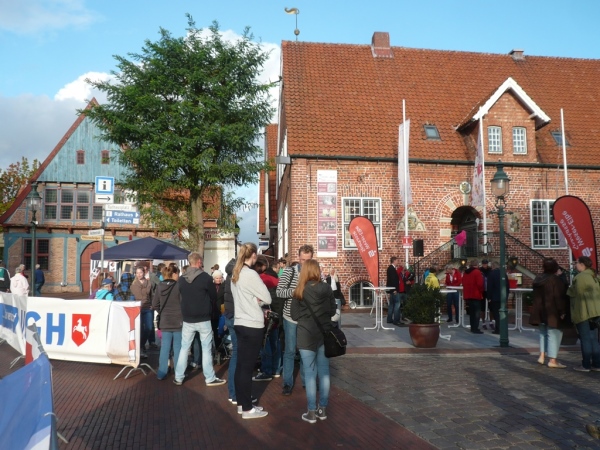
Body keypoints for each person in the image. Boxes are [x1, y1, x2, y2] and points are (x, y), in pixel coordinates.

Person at [291, 259, 338, 424]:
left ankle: (311, 412)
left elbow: (294, 315)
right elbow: (333, 310)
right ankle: (322, 409)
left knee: (310, 374)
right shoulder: (326, 288)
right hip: (324, 334)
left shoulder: (299, 289)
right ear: (317, 271)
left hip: (305, 335)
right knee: (324, 372)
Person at [231, 243, 271, 419]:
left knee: (241, 366)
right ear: (253, 255)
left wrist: (254, 299)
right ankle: (247, 409)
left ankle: (242, 404)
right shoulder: (251, 274)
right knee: (247, 368)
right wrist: (258, 301)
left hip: (239, 321)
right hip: (252, 324)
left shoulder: (236, 273)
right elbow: (268, 298)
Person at [174, 252, 225, 386]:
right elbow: (214, 296)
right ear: (199, 262)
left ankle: (178, 377)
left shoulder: (182, 279)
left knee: (184, 348)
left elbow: (179, 296)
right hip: (203, 318)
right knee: (206, 348)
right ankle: (209, 378)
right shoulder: (206, 278)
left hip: (187, 318)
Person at [277, 245, 314, 396]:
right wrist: (296, 291)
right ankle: (287, 383)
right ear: (298, 258)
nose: (305, 263)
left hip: (307, 318)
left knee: (306, 351)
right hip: (290, 317)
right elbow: (279, 292)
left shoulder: (314, 272)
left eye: (308, 260)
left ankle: (307, 382)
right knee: (290, 351)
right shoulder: (289, 271)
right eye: (303, 259)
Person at [529, 258, 568, 368]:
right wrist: (562, 311)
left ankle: (542, 355)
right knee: (554, 334)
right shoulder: (555, 280)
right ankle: (552, 360)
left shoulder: (538, 278)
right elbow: (559, 297)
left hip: (539, 311)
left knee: (543, 333)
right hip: (552, 311)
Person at [567, 256, 600, 372]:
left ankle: (586, 365)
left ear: (582, 264)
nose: (575, 265)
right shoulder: (594, 276)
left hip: (584, 311)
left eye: (577, 263)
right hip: (595, 312)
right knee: (593, 339)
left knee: (585, 339)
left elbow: (577, 294)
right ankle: (597, 364)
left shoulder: (580, 277)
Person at [253, 255, 280, 382]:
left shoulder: (261, 279)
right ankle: (276, 369)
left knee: (265, 343)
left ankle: (266, 370)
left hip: (266, 314)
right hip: (277, 313)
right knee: (275, 342)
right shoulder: (275, 277)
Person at [152, 263, 182, 380]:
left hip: (165, 320)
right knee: (178, 347)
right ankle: (178, 372)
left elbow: (155, 304)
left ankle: (162, 372)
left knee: (165, 347)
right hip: (178, 320)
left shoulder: (160, 286)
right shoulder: (178, 286)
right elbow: (183, 302)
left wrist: (162, 311)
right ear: (174, 274)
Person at [222, 258, 239, 404]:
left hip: (229, 315)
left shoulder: (228, 276)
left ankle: (232, 392)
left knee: (236, 355)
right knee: (239, 356)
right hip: (237, 317)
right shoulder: (237, 277)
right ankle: (236, 394)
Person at [131, 266, 153, 358]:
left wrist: (152, 304)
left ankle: (142, 344)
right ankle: (140, 348)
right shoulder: (133, 284)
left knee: (149, 328)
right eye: (137, 273)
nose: (139, 274)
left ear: (144, 272)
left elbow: (152, 295)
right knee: (139, 329)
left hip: (147, 308)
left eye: (140, 272)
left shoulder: (149, 283)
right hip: (137, 308)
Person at [486, 261, 509, 334]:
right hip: (503, 296)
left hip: (494, 297)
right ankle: (503, 328)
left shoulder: (491, 274)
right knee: (502, 313)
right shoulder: (503, 274)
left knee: (496, 314)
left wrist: (488, 297)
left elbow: (489, 287)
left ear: (493, 266)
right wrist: (506, 296)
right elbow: (507, 286)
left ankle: (498, 329)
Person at [462, 259, 484, 334]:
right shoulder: (477, 272)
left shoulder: (466, 272)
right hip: (476, 294)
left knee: (471, 313)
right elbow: (480, 284)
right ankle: (475, 328)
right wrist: (481, 291)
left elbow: (463, 282)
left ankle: (472, 327)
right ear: (477, 265)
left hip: (468, 295)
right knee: (477, 313)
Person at [385, 257, 401, 325]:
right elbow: (393, 279)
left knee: (391, 305)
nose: (398, 262)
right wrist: (395, 289)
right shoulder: (391, 269)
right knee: (397, 304)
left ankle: (389, 319)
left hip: (392, 289)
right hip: (393, 289)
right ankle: (396, 320)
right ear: (394, 261)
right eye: (397, 261)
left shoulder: (391, 268)